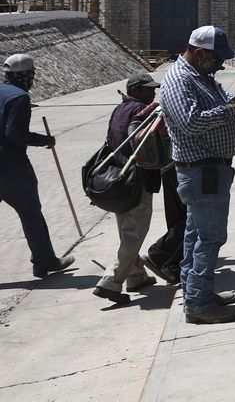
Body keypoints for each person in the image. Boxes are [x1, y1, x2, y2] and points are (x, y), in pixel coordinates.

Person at [159, 26, 235, 325]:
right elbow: (189, 123)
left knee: (195, 236)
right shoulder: (178, 80)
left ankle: (196, 292)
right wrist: (231, 109)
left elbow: (220, 102)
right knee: (211, 237)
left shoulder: (201, 76)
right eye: (217, 58)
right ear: (201, 53)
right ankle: (198, 304)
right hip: (202, 171)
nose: (221, 63)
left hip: (210, 170)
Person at [0, 54, 75, 278]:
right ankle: (44, 261)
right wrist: (45, 140)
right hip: (12, 167)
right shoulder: (20, 97)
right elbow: (15, 134)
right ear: (26, 75)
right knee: (31, 214)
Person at [93, 73, 165, 305]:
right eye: (147, 89)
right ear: (134, 90)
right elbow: (147, 150)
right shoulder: (141, 111)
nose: (152, 93)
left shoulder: (119, 109)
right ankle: (110, 281)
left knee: (126, 230)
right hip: (136, 179)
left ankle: (136, 276)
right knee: (135, 233)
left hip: (118, 180)